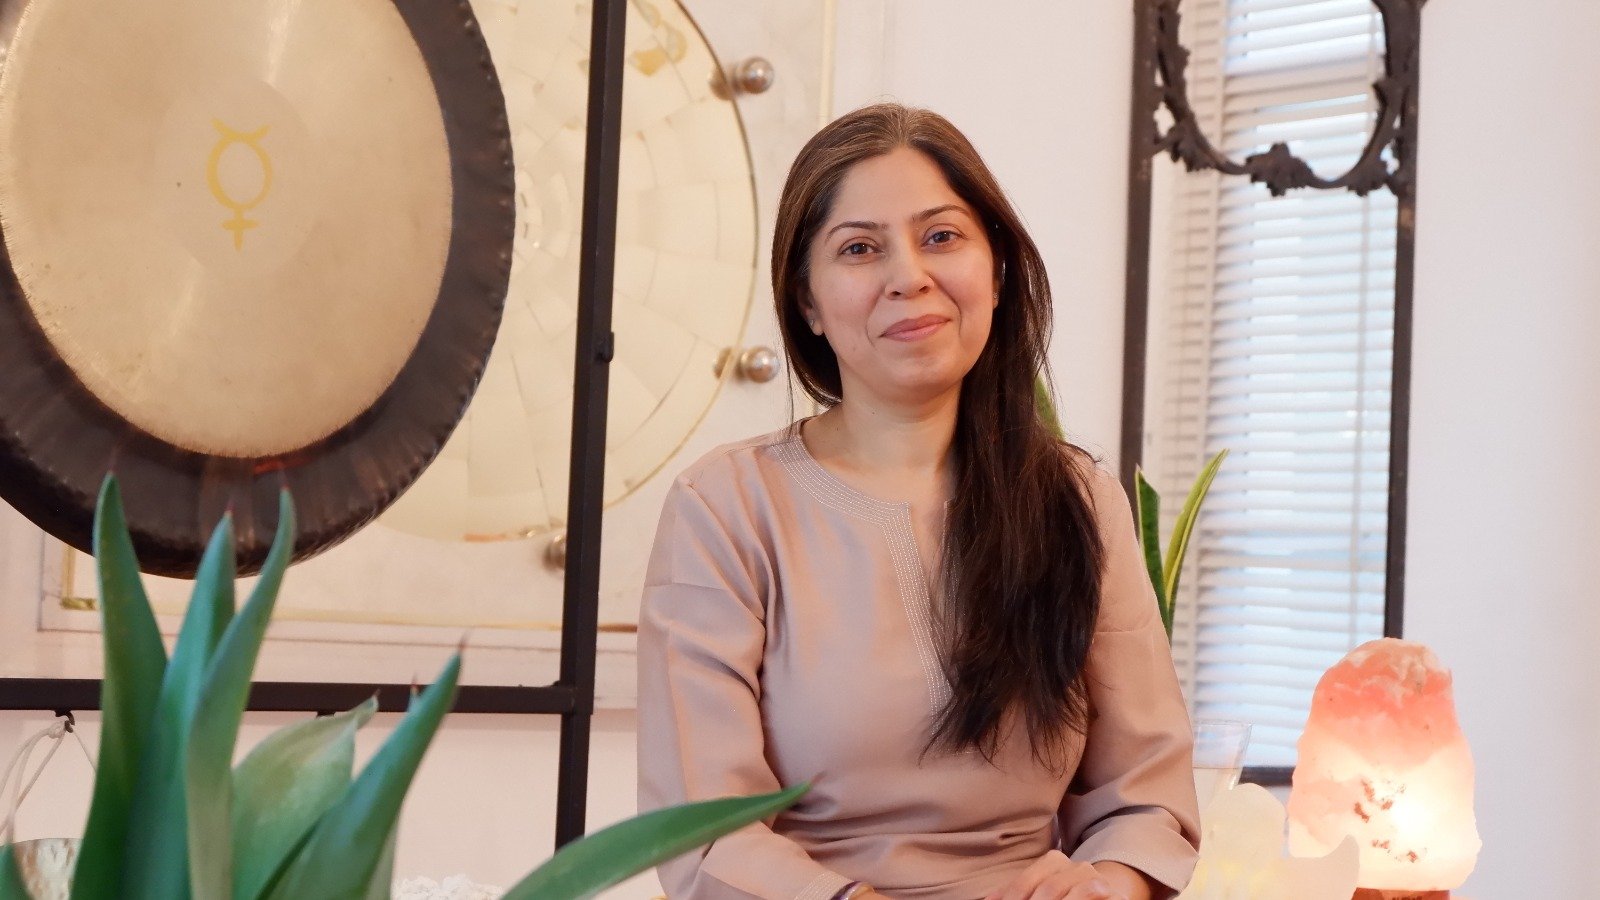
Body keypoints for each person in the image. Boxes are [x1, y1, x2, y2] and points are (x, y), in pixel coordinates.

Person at [636, 103, 1199, 900]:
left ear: (996, 271)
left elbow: (1145, 794)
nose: (909, 276)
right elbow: (704, 833)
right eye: (860, 248)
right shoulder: (725, 508)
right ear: (807, 302)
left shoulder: (1077, 500)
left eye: (941, 237)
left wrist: (1107, 883)